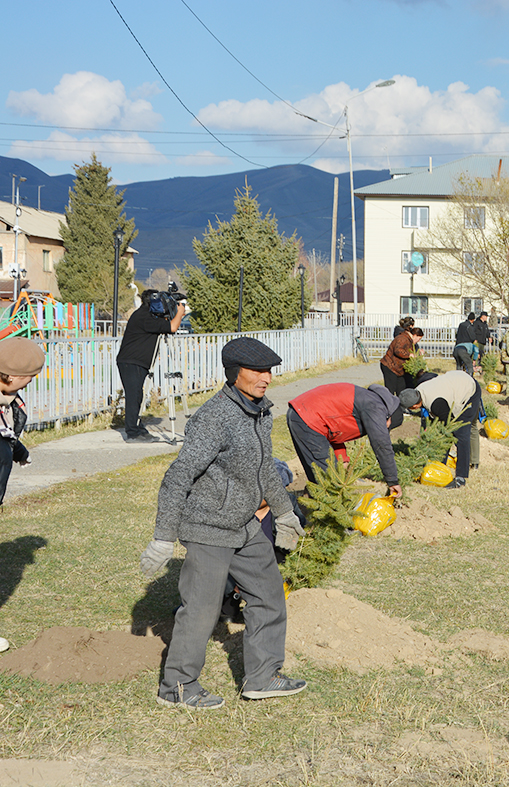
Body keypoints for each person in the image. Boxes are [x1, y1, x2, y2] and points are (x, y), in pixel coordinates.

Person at [140, 337, 306, 709]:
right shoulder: (215, 418)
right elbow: (178, 476)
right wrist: (163, 537)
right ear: (234, 375)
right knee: (201, 610)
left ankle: (262, 677)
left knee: (269, 596)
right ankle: (177, 688)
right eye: (257, 371)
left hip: (245, 525)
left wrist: (283, 512)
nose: (266, 378)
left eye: (269, 372)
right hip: (208, 527)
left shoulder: (260, 411)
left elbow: (265, 467)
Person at [286, 383, 404, 497]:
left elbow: (334, 426)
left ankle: (313, 504)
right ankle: (324, 511)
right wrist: (392, 480)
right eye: (388, 425)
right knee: (330, 479)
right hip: (308, 418)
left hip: (302, 412)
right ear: (389, 416)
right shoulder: (375, 407)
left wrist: (342, 458)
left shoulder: (368, 398)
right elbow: (382, 445)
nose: (386, 428)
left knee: (320, 475)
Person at [116, 289, 186, 441]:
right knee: (134, 397)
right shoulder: (144, 317)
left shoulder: (149, 316)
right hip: (130, 362)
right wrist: (180, 312)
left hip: (136, 363)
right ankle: (132, 433)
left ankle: (138, 428)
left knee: (138, 396)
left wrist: (175, 313)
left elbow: (169, 324)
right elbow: (172, 327)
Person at [399, 370, 481, 488]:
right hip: (455, 381)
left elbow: (447, 428)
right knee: (446, 432)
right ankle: (440, 466)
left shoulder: (436, 403)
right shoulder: (418, 391)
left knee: (461, 434)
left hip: (469, 389)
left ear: (415, 406)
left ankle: (461, 478)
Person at [0, 337, 45, 506]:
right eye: (30, 376)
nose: (30, 382)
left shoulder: (9, 403)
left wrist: (19, 452)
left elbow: (5, 433)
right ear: (12, 376)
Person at [380, 326, 423, 395]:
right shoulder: (403, 338)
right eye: (419, 339)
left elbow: (409, 351)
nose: (418, 341)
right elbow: (398, 350)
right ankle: (389, 404)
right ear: (415, 335)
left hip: (399, 369)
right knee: (390, 389)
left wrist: (418, 353)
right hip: (390, 366)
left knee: (401, 389)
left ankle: (400, 404)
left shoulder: (409, 340)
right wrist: (409, 355)